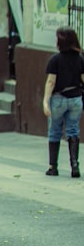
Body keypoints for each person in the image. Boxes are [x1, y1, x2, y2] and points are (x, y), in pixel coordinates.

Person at [42, 26, 84, 177]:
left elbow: (50, 82)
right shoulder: (80, 59)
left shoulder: (55, 60)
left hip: (58, 100)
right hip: (76, 99)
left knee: (55, 131)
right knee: (73, 130)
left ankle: (53, 167)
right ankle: (75, 165)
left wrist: (45, 101)